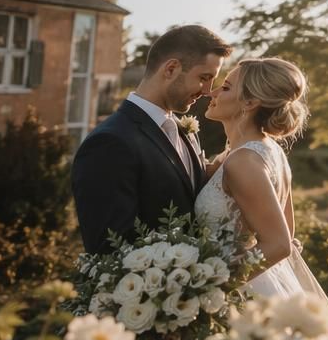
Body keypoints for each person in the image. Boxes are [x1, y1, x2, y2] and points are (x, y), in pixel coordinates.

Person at [195, 57, 328, 340]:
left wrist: (210, 290)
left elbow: (280, 244)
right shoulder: (265, 153)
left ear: (250, 102)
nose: (213, 91)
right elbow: (288, 231)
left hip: (239, 295)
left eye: (225, 86)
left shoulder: (244, 160)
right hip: (268, 289)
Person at [72, 25, 230, 254]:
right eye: (204, 78)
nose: (207, 91)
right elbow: (109, 248)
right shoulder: (109, 142)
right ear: (171, 69)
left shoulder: (186, 131)